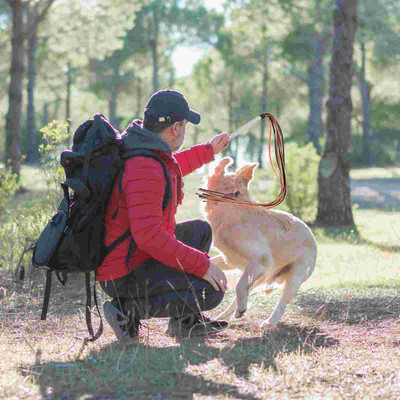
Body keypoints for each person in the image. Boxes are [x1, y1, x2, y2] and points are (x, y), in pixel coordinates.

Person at [97, 89, 231, 341]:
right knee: (209, 292)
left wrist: (208, 151)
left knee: (200, 231)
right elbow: (148, 236)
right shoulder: (144, 166)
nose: (184, 131)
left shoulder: (145, 150)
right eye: (184, 125)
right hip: (124, 273)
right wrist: (201, 265)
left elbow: (173, 166)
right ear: (175, 128)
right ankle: (126, 310)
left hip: (133, 255)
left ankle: (185, 323)